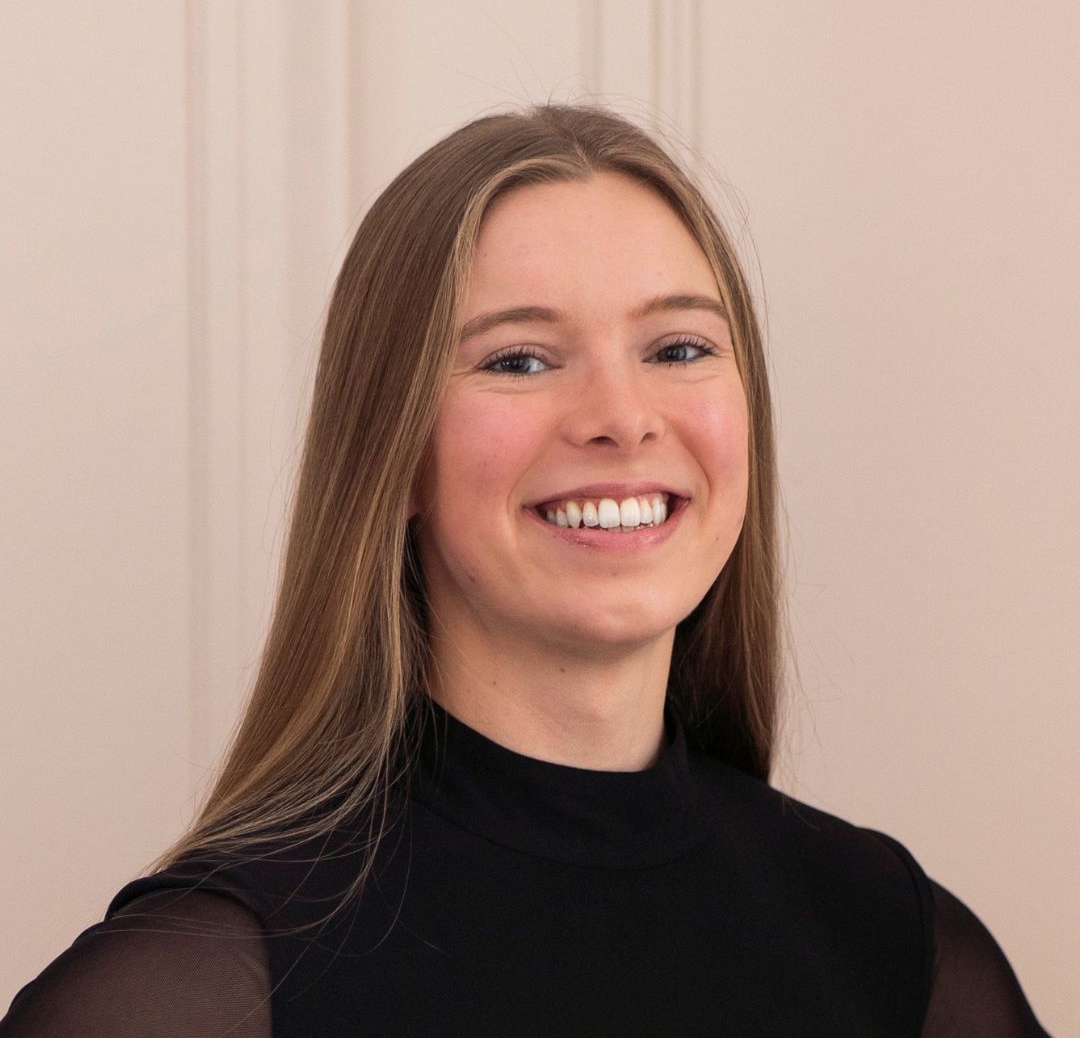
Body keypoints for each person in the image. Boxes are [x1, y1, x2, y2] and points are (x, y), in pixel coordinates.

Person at [1, 104, 1050, 1037]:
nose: (621, 418)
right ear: (393, 450)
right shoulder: (209, 984)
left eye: (678, 348)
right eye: (520, 360)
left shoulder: (896, 948)